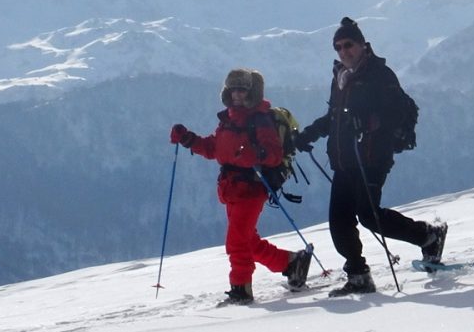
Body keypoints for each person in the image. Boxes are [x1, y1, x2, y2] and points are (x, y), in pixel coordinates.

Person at [293, 17, 445, 295]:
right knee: (339, 220)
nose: (343, 51)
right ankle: (358, 275)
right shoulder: (339, 77)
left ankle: (428, 236)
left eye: (348, 45)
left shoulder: (379, 74)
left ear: (362, 45)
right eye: (338, 47)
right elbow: (334, 117)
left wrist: (368, 122)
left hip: (373, 157)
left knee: (369, 215)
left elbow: (396, 113)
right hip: (343, 160)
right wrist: (307, 136)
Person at [170, 68, 313, 303]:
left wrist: (252, 155)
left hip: (252, 188)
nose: (237, 93)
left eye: (242, 89)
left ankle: (241, 290)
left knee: (237, 242)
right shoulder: (229, 120)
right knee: (247, 240)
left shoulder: (260, 119)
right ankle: (292, 263)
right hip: (232, 189)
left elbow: (274, 155)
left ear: (251, 91)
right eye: (233, 89)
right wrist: (188, 139)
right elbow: (214, 148)